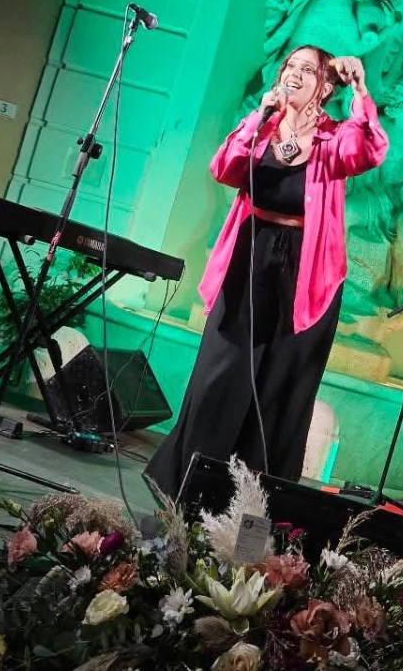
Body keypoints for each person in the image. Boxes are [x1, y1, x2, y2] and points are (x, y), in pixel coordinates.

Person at [145, 46, 389, 498]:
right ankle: (187, 484)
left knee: (280, 386)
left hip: (306, 271)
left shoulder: (333, 139)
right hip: (248, 257)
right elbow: (224, 169)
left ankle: (255, 498)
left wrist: (360, 91)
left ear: (325, 85)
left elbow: (369, 150)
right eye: (289, 67)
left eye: (306, 70)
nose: (294, 74)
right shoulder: (262, 127)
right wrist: (258, 117)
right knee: (222, 374)